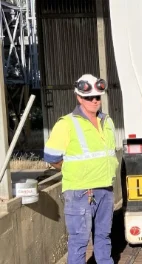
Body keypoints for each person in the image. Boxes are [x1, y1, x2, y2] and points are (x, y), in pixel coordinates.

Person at [43, 74, 119, 264]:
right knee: (79, 242)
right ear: (79, 97)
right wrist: (72, 170)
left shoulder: (107, 121)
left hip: (105, 189)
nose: (94, 100)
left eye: (97, 96)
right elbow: (52, 157)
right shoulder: (66, 124)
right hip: (80, 191)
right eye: (89, 97)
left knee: (104, 237)